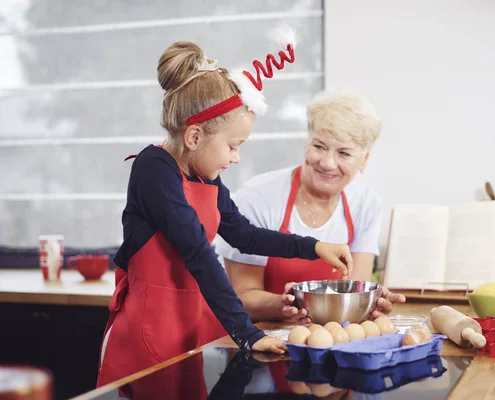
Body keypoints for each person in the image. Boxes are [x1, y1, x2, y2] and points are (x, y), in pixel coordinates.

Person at [96, 30, 354, 387]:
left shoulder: (204, 176)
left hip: (188, 330)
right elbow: (198, 253)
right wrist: (247, 334)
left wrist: (313, 247)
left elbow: (243, 234)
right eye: (233, 146)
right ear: (195, 137)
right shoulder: (154, 169)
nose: (236, 157)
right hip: (148, 336)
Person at [215, 90, 405, 326]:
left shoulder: (365, 204)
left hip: (331, 339)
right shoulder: (257, 198)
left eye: (344, 153)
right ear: (306, 145)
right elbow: (241, 298)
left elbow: (355, 289)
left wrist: (369, 303)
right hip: (261, 338)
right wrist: (290, 305)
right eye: (319, 146)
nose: (327, 163)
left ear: (364, 160)